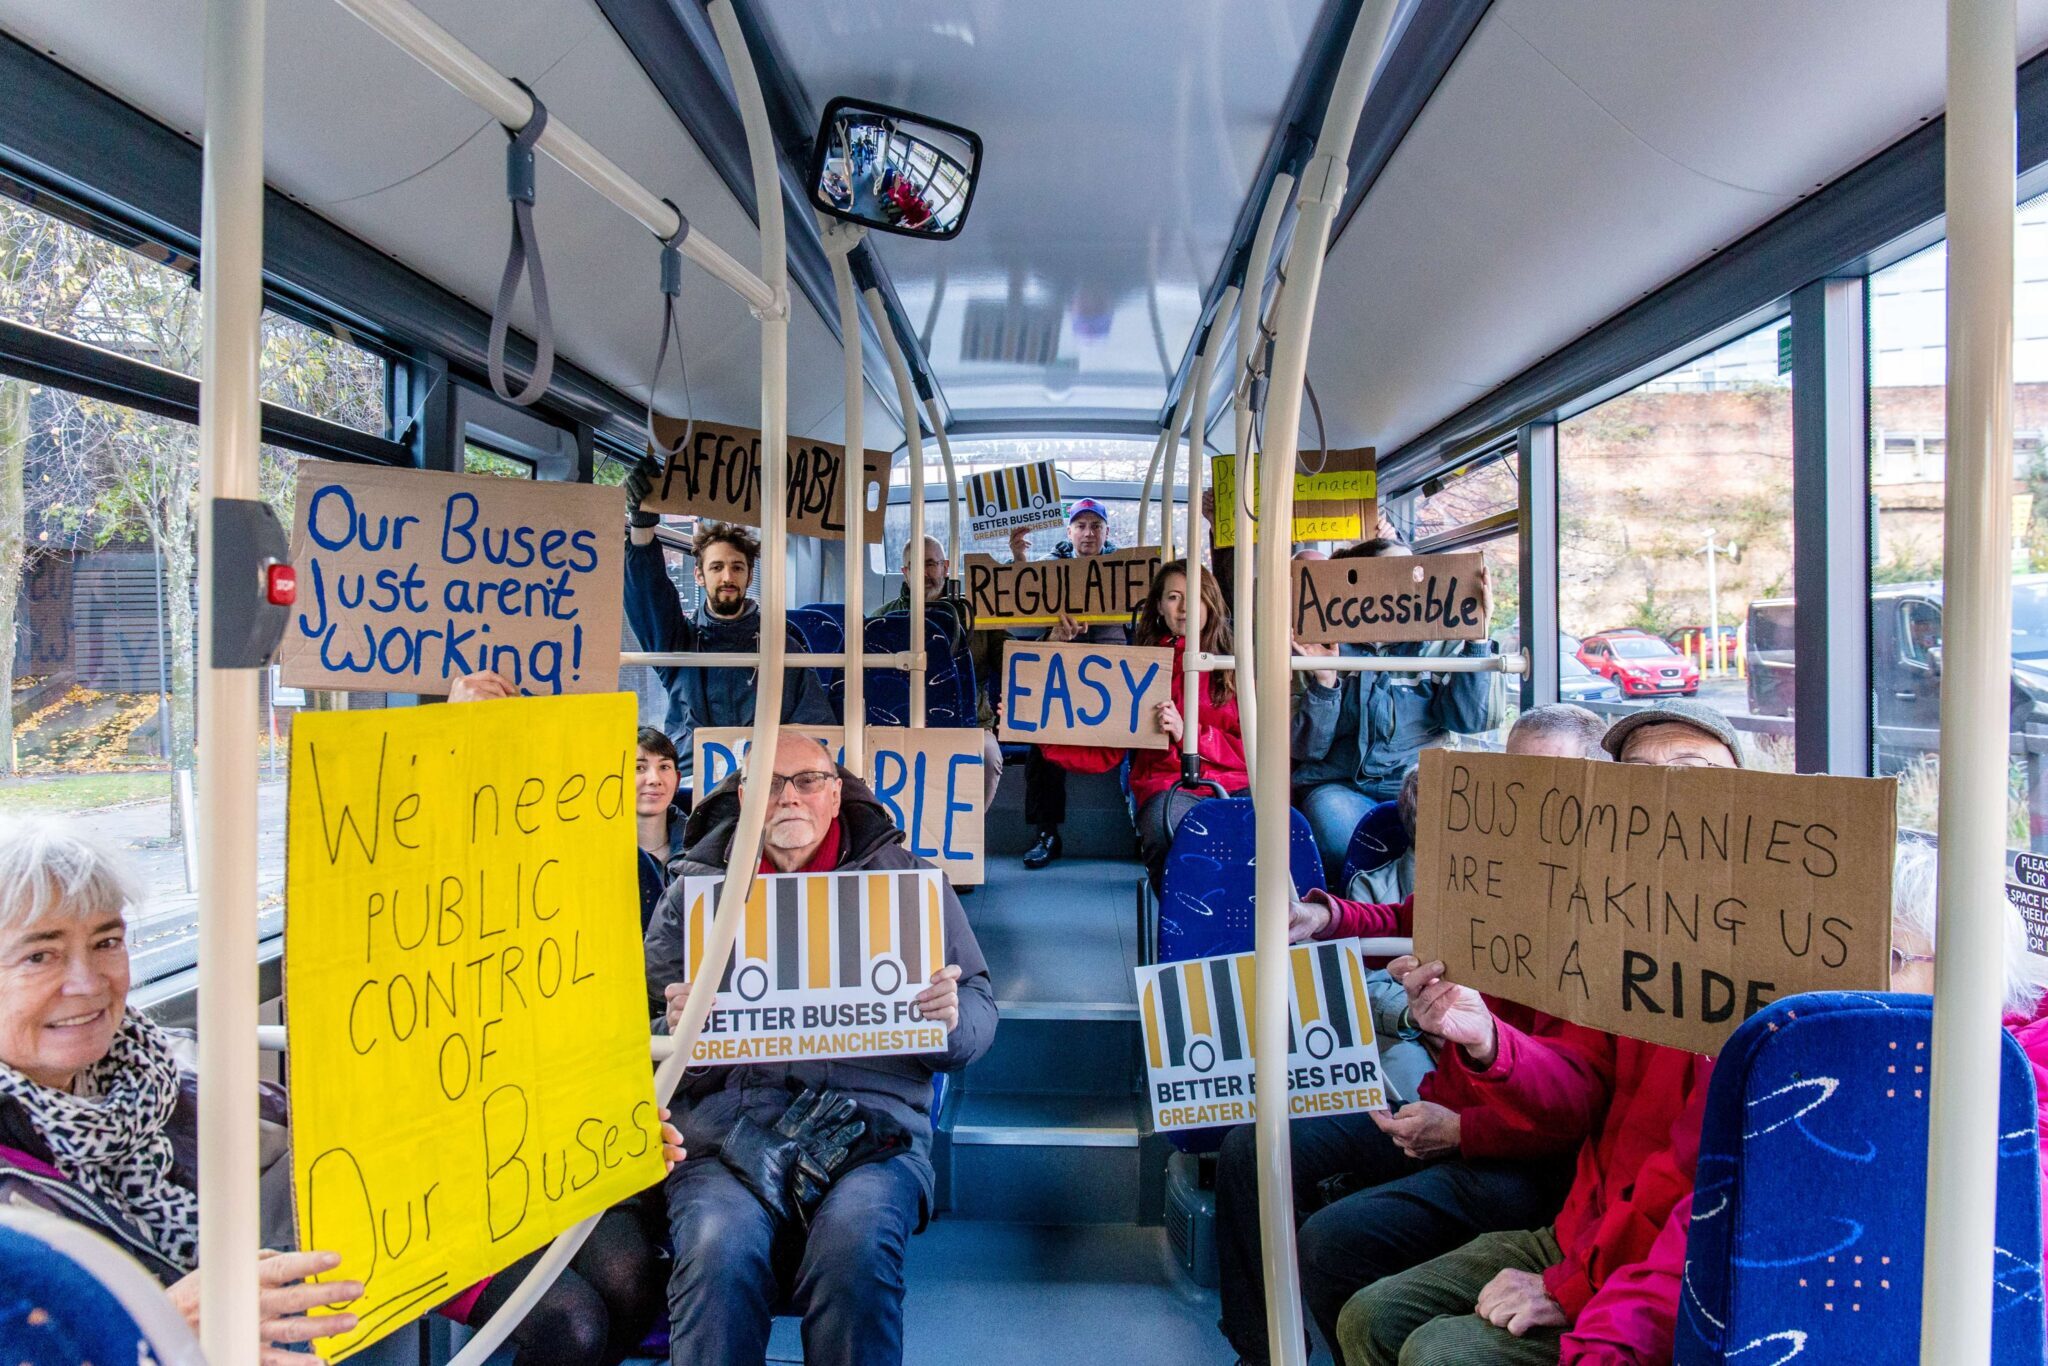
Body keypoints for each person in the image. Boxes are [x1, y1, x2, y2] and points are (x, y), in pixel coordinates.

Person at [0, 817, 683, 1366]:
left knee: (621, 1267)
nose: (88, 983)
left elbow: (351, 1144)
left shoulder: (162, 1067)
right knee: (573, 1319)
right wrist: (154, 1323)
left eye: (106, 942)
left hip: (338, 1247)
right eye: (41, 955)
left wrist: (564, 1141)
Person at [1333, 702, 1738, 1366]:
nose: (1663, 797)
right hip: (1581, 1223)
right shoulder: (1614, 920)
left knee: (1433, 1348)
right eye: (1638, 777)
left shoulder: (1760, 977)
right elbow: (1581, 1084)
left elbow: (1700, 1189)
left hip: (1627, 1255)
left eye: (1691, 775)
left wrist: (1576, 1289)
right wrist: (1488, 1040)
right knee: (1370, 1317)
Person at [1215, 704, 1609, 1363]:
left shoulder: (1605, 915)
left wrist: (1462, 1128)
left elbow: (1576, 1103)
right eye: (1515, 779)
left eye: (1550, 782)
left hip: (1525, 1156)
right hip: (1452, 1107)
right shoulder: (1501, 871)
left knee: (1332, 1241)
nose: (1527, 800)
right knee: (1252, 1153)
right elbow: (1408, 917)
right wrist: (1322, 916)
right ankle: (1263, 1353)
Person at [645, 732, 998, 1366]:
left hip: (871, 1134)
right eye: (771, 784)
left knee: (855, 1251)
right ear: (745, 796)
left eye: (807, 781)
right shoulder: (694, 895)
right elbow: (635, 1038)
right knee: (716, 1251)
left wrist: (947, 1020)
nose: (789, 798)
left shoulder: (909, 884)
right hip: (727, 1138)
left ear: (835, 795)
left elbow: (978, 1005)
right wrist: (678, 1039)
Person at [1292, 536, 1502, 884]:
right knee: (1331, 822)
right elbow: (1306, 748)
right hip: (1340, 783)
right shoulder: (1319, 641)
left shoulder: (1439, 639)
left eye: (1413, 568)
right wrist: (1325, 681)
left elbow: (1471, 720)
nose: (1410, 578)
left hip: (1415, 776)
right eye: (1396, 569)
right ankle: (1366, 907)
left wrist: (1477, 639)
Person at [1039, 559, 1247, 890]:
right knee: (1167, 833)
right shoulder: (1140, 664)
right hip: (1167, 783)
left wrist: (1190, 735)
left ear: (1211, 601)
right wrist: (1037, 726)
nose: (1184, 609)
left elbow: (1254, 749)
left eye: (1194, 596)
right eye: (1174, 597)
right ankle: (1184, 926)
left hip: (1237, 783)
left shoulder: (1238, 662)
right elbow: (1104, 747)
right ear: (1160, 606)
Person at [621, 468, 836, 781]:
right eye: (716, 567)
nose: (727, 577)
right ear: (699, 575)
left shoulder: (781, 646)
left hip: (764, 781)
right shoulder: (679, 640)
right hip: (690, 780)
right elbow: (647, 595)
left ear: (750, 576)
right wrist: (641, 526)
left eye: (737, 568)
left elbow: (815, 728)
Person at [1009, 498, 1127, 869]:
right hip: (1059, 681)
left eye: (1095, 525)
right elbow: (1018, 626)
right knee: (1040, 746)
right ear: (1069, 532)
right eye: (1081, 525)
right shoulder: (1048, 569)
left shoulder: (1126, 571)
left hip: (1114, 683)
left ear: (1106, 532)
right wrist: (1020, 563)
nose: (1088, 532)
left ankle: (1144, 826)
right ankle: (1046, 832)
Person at [872, 534, 1004, 809]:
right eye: (916, 566)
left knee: (988, 758)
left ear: (945, 567)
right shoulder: (881, 620)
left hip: (971, 723)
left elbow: (1012, 660)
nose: (924, 574)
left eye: (931, 564)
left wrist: (1054, 637)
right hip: (898, 726)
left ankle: (967, 837)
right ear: (905, 572)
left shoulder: (976, 615)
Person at [637, 727, 685, 932]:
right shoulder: (598, 855)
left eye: (664, 766)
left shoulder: (704, 845)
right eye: (639, 768)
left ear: (678, 780)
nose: (654, 779)